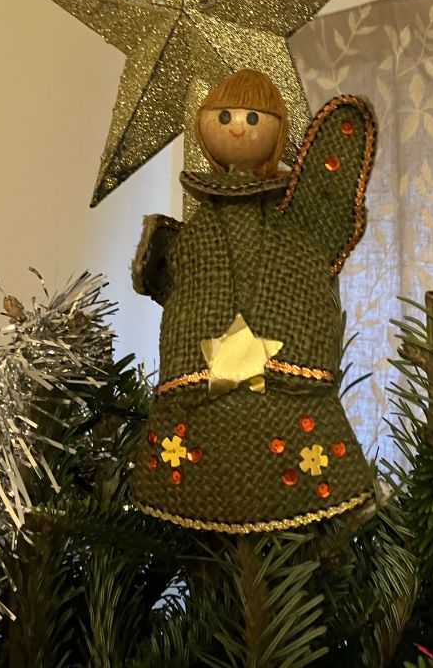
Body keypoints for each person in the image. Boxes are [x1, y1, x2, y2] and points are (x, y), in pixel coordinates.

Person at [131, 69, 377, 532]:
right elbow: (186, 281)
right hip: (197, 375)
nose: (238, 127)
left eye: (251, 116)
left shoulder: (289, 226)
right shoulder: (201, 227)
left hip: (282, 372)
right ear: (205, 124)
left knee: (303, 441)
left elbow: (302, 266)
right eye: (224, 116)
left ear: (277, 128)